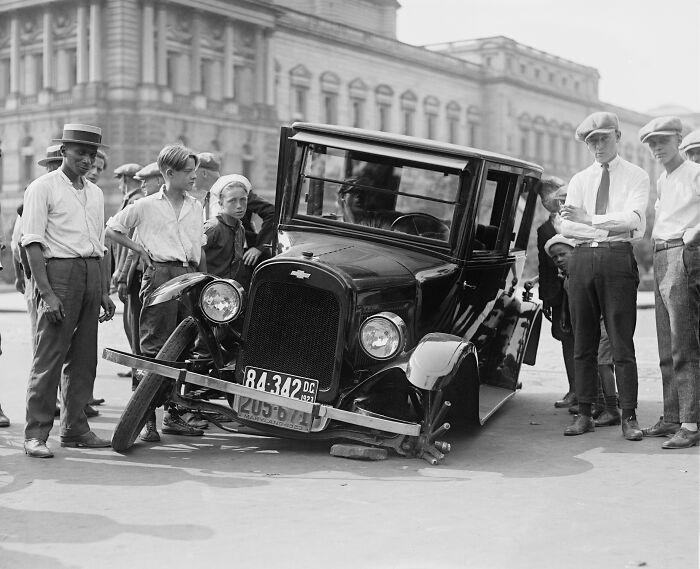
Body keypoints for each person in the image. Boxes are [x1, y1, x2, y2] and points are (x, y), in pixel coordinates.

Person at [21, 123, 116, 458]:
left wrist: (103, 290)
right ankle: (35, 434)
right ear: (63, 151)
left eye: (92, 154)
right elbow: (32, 243)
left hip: (90, 273)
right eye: (80, 153)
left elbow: (100, 246)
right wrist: (46, 293)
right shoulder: (42, 187)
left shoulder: (95, 192)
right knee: (50, 356)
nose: (87, 160)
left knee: (84, 357)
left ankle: (75, 427)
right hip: (58, 272)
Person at [105, 144, 207, 440]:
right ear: (169, 173)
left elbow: (197, 246)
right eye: (188, 172)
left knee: (184, 347)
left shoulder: (196, 206)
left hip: (189, 275)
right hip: (160, 275)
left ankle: (172, 414)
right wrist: (140, 251)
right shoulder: (146, 205)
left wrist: (201, 279)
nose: (193, 177)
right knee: (153, 349)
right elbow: (112, 229)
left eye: (195, 172)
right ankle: (146, 418)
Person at [560, 111, 650, 440]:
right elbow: (567, 225)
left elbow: (633, 220)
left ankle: (629, 416)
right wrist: (596, 220)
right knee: (583, 342)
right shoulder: (580, 179)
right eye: (591, 141)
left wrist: (590, 217)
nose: (597, 146)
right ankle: (584, 413)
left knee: (621, 342)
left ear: (617, 136)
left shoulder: (637, 176)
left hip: (616, 257)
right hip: (582, 258)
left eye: (603, 138)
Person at [639, 116, 700, 449]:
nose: (656, 148)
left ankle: (690, 424)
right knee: (666, 344)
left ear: (678, 139)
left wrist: (695, 233)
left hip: (682, 252)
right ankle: (672, 416)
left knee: (683, 343)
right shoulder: (663, 179)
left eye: (662, 141)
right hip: (662, 253)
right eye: (651, 143)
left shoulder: (694, 172)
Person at [533, 176, 576, 408]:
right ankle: (574, 389)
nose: (547, 199)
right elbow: (544, 265)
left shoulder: (577, 223)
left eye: (551, 192)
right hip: (558, 297)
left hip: (579, 290)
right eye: (543, 195)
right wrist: (546, 299)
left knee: (589, 340)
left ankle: (597, 392)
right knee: (566, 341)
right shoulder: (543, 230)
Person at [203, 175, 248, 280]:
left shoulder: (240, 229)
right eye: (232, 201)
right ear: (221, 203)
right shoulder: (213, 228)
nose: (239, 206)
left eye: (243, 200)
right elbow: (195, 258)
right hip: (209, 288)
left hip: (228, 288)